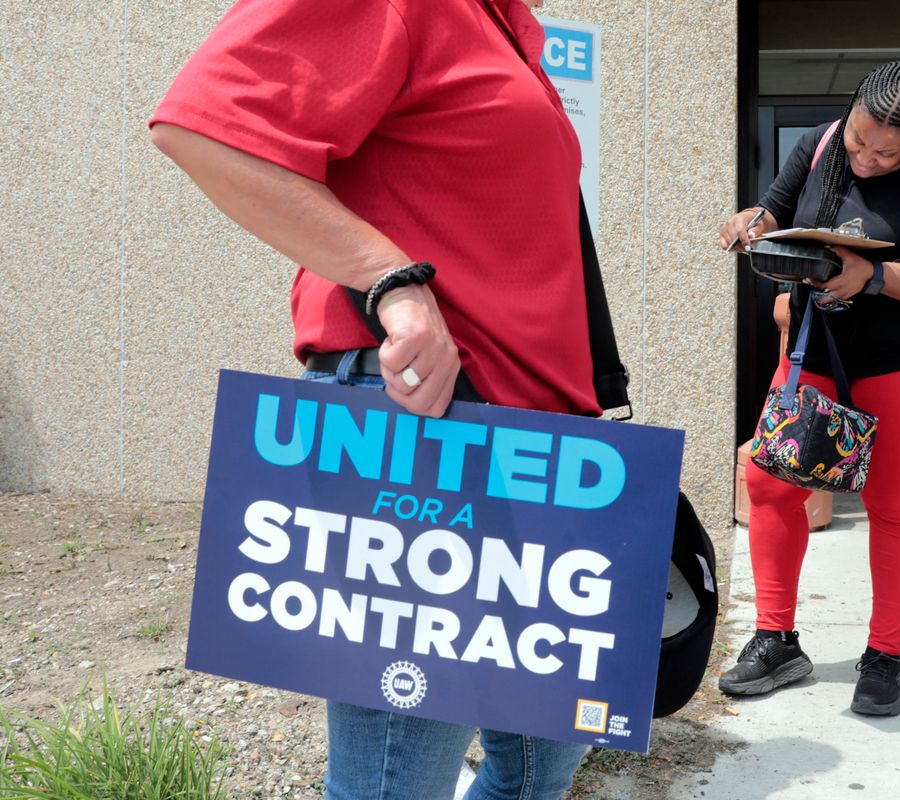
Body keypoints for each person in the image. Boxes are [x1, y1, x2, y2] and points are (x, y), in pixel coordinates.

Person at [150, 1, 592, 797]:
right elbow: (203, 126)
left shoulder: (507, 24)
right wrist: (391, 280)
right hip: (430, 427)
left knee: (539, 771)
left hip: (539, 442)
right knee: (396, 781)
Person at [717, 62, 900, 716]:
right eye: (858, 142)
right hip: (818, 348)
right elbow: (774, 209)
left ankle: (884, 655)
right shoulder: (820, 143)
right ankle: (776, 637)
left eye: (885, 150)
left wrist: (873, 276)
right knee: (767, 482)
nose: (866, 158)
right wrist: (750, 223)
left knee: (895, 503)